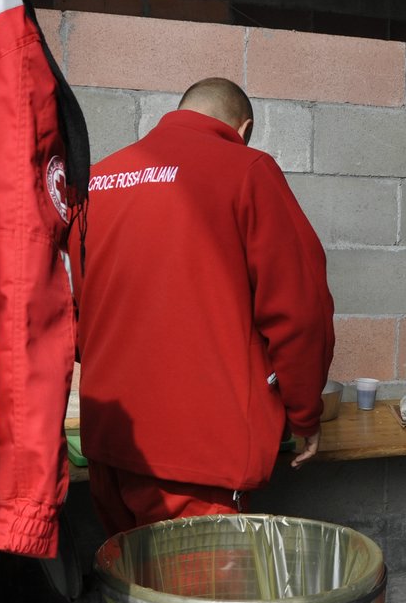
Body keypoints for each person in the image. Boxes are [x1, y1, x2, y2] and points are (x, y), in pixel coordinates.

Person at [70, 77, 334, 534]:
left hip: (110, 446)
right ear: (244, 128)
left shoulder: (98, 179)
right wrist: (305, 413)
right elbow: (299, 310)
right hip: (196, 461)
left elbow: (73, 311)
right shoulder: (247, 169)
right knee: (195, 601)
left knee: (131, 591)